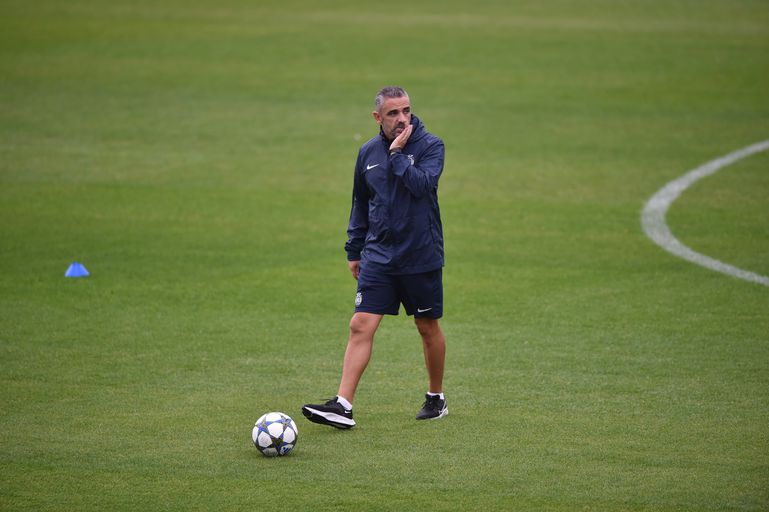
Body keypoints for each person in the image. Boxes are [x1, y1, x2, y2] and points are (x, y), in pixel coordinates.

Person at [302, 86, 447, 429]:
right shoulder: (367, 152)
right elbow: (361, 203)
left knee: (426, 327)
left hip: (419, 255)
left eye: (406, 111)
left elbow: (422, 185)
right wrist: (354, 249)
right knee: (360, 324)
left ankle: (436, 397)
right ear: (377, 117)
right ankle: (343, 405)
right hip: (379, 256)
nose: (402, 119)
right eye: (393, 113)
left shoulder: (431, 146)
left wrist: (397, 156)